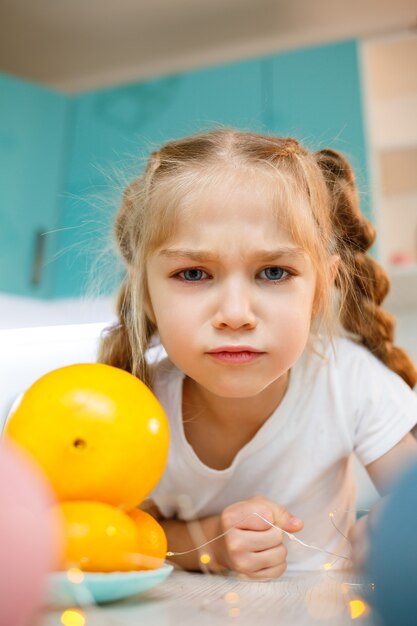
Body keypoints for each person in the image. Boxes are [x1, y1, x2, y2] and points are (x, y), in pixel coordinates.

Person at [99, 128, 417, 579]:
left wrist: (397, 532)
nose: (235, 314)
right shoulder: (137, 406)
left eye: (273, 271)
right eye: (193, 273)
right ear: (146, 294)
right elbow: (127, 534)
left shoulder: (348, 378)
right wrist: (213, 543)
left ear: (321, 289)